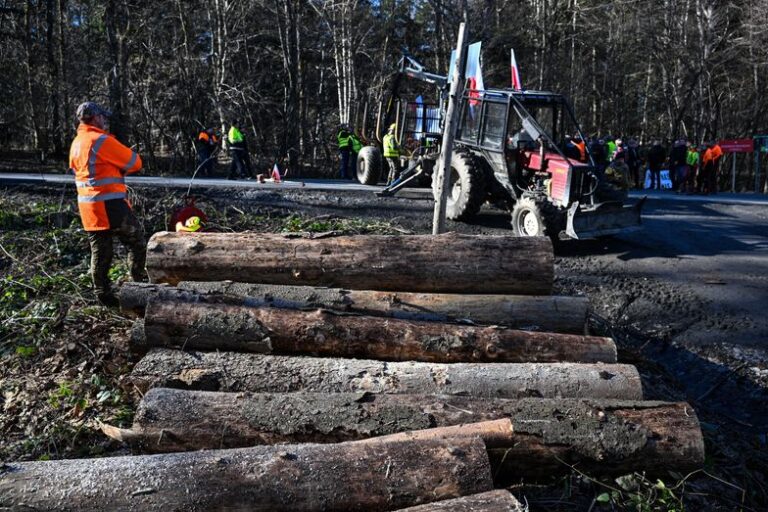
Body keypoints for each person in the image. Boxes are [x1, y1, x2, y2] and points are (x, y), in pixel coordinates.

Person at [68, 101, 146, 307]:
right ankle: (140, 287)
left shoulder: (76, 143)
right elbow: (135, 162)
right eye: (102, 117)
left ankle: (103, 294)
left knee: (100, 252)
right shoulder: (101, 140)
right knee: (136, 242)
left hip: (89, 208)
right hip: (111, 205)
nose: (104, 120)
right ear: (95, 118)